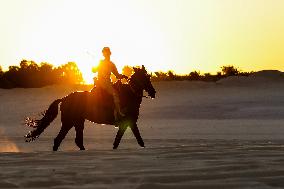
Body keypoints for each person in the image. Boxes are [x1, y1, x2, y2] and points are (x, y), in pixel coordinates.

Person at [93, 47, 127, 121]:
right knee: (115, 94)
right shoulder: (101, 62)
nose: (107, 54)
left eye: (108, 53)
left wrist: (123, 76)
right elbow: (94, 70)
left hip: (109, 82)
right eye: (105, 53)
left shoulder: (112, 64)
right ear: (103, 54)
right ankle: (118, 113)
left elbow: (117, 75)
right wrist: (94, 68)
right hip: (101, 82)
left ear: (110, 54)